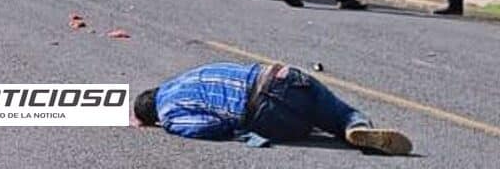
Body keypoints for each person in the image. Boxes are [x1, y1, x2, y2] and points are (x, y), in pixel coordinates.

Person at [132, 61, 413, 156]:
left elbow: (206, 127)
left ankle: (341, 129)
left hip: (264, 111)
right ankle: (355, 125)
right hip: (280, 76)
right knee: (336, 111)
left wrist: (232, 129)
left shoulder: (168, 113)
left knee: (308, 124)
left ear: (153, 118)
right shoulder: (187, 76)